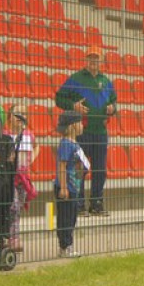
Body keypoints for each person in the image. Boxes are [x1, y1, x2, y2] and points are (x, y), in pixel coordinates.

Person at [55, 47, 117, 216]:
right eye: (90, 58)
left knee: (100, 169)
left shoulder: (106, 81)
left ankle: (97, 203)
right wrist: (73, 106)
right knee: (80, 167)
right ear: (85, 60)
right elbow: (59, 98)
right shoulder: (75, 78)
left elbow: (114, 101)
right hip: (81, 131)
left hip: (101, 131)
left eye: (96, 59)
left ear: (101, 61)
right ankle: (79, 204)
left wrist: (113, 108)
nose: (93, 62)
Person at [54, 110, 87, 259]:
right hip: (66, 186)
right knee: (66, 218)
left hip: (74, 186)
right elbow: (62, 166)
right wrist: (63, 187)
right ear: (73, 125)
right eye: (80, 122)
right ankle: (65, 246)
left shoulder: (75, 143)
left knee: (72, 217)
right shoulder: (67, 144)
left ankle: (66, 245)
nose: (82, 125)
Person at [6, 105, 38, 251]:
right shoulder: (6, 135)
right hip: (10, 177)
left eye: (23, 114)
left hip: (23, 177)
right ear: (9, 117)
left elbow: (37, 147)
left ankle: (14, 236)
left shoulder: (29, 135)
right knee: (13, 206)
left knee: (18, 207)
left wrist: (32, 158)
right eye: (16, 114)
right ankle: (12, 238)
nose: (20, 117)